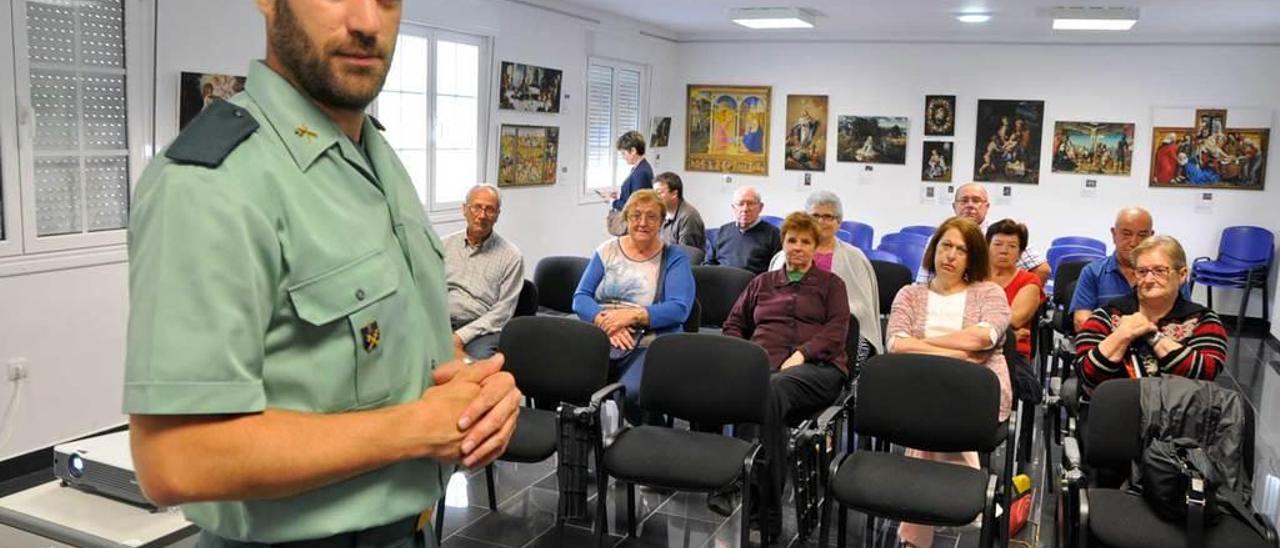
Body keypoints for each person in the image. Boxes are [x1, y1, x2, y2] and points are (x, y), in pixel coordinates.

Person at [123, 2, 521, 546]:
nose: (367, 21)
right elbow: (175, 460)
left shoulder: (374, 155)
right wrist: (418, 427)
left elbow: (384, 350)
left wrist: (473, 403)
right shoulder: (212, 181)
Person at [721, 212, 850, 538]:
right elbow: (733, 325)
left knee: (769, 390)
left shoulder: (832, 285)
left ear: (815, 247)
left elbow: (836, 333)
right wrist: (747, 356)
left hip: (818, 371)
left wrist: (801, 354)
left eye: (806, 242)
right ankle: (758, 507)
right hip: (764, 370)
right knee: (766, 396)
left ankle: (748, 496)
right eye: (792, 240)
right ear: (784, 243)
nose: (798, 247)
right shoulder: (761, 283)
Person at [886, 217, 1012, 548]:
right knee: (929, 410)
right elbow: (897, 343)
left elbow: (985, 337)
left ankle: (915, 533)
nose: (951, 256)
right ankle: (971, 501)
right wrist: (957, 355)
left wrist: (927, 348)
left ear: (972, 258)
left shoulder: (989, 292)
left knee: (926, 422)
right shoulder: (910, 294)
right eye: (946, 246)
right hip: (920, 386)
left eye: (961, 250)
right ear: (934, 250)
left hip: (976, 393)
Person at [573, 190, 694, 424]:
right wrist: (607, 322)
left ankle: (646, 445)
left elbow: (679, 308)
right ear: (626, 218)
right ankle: (589, 447)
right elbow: (580, 297)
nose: (643, 223)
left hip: (650, 339)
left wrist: (629, 317)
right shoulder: (606, 250)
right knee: (568, 384)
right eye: (636, 215)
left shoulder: (674, 257)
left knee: (633, 395)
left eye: (651, 216)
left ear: (661, 221)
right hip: (603, 333)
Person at [1074, 236, 1227, 395]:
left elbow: (1206, 374)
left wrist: (1153, 336)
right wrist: (1122, 335)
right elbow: (1087, 374)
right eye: (1142, 271)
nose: (1148, 279)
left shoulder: (1204, 320)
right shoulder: (1106, 316)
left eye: (1160, 271)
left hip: (1180, 414)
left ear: (1182, 275)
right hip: (1117, 411)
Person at [768, 191, 883, 353]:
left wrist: (824, 314)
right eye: (815, 216)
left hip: (843, 331)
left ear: (839, 222)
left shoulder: (855, 258)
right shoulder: (783, 256)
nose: (821, 222)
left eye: (828, 216)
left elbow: (863, 308)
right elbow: (772, 303)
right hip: (792, 327)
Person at [1069, 207, 1187, 330]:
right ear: (1114, 234)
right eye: (1126, 234)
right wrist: (1123, 339)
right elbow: (1082, 323)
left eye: (1142, 235)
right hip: (1108, 344)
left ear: (1151, 236)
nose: (1134, 242)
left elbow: (1186, 319)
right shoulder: (1092, 272)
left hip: (1161, 343)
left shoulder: (1171, 274)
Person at [445, 185, 524, 360]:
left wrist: (460, 337)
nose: (481, 215)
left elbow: (503, 312)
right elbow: (429, 290)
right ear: (464, 209)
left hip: (482, 330)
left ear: (497, 215)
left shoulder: (511, 256)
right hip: (443, 322)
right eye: (476, 207)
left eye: (490, 210)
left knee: (473, 369)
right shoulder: (444, 246)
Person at [917, 183, 1050, 284]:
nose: (970, 205)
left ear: (987, 207)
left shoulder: (1001, 234)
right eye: (964, 201)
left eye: (976, 201)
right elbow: (923, 282)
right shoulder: (938, 237)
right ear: (954, 206)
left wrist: (1016, 295)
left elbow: (1042, 270)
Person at [986, 219, 1044, 362]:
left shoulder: (1029, 281)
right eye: (998, 244)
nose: (1004, 251)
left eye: (1012, 246)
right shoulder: (973, 278)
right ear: (986, 247)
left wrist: (974, 324)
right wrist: (1007, 334)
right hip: (971, 346)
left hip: (1012, 353)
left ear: (1020, 253)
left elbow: (1015, 320)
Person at [705, 186, 782, 274]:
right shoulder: (723, 231)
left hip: (753, 285)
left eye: (750, 203)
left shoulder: (774, 235)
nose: (745, 209)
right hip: (721, 283)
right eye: (740, 204)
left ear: (760, 207)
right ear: (733, 208)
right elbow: (709, 263)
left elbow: (777, 273)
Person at [604, 130, 653, 236]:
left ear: (633, 151)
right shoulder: (638, 169)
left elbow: (635, 206)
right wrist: (619, 196)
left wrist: (612, 202)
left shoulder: (641, 172)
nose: (623, 157)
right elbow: (632, 195)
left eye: (624, 153)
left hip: (634, 226)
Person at [653, 171, 706, 250]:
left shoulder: (688, 216)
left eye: (659, 193)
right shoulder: (662, 212)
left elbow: (686, 255)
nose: (654, 197)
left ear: (674, 194)